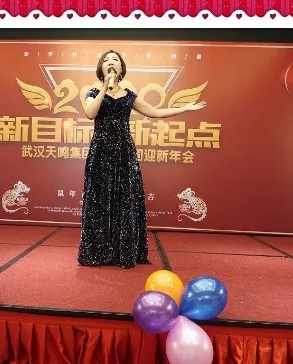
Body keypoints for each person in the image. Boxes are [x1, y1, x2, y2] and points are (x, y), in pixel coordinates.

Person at [78, 50, 207, 269]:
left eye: (115, 60)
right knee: (99, 200)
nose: (111, 62)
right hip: (101, 152)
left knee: (126, 199)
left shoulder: (129, 95)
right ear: (101, 68)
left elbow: (154, 112)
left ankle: (123, 251)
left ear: (121, 68)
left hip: (124, 152)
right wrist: (104, 88)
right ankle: (97, 252)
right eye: (106, 60)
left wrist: (184, 108)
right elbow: (90, 113)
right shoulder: (91, 92)